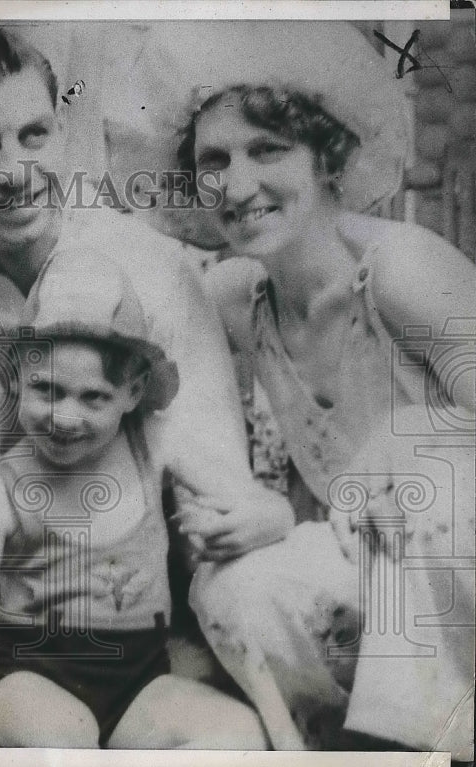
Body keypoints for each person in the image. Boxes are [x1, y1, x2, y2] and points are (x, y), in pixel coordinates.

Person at [0, 25, 295, 746]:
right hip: (2, 650)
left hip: (153, 626)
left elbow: (215, 494)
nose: (15, 170)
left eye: (34, 135)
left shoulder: (153, 272)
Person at [127, 21, 475, 758]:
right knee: (233, 587)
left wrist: (405, 440)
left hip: (453, 547)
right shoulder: (234, 301)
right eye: (214, 160)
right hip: (380, 571)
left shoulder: (396, 270)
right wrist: (276, 512)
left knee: (426, 499)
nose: (239, 183)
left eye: (268, 149)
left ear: (328, 157)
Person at [0, 248, 268, 748]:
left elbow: (249, 502)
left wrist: (272, 518)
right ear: (16, 378)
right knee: (64, 737)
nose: (65, 418)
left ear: (132, 393)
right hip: (31, 680)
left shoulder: (153, 445)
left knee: (237, 734)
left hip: (139, 684)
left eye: (93, 397)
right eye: (46, 390)